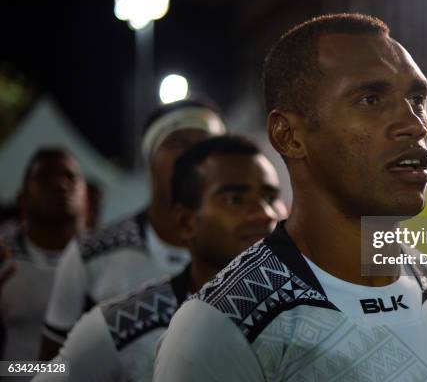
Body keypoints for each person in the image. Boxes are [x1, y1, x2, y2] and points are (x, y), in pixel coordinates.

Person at [154, 13, 427, 381]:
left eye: (416, 98)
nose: (414, 124)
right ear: (289, 136)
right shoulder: (221, 326)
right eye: (370, 99)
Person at [32, 135, 286, 382]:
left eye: (271, 197)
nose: (264, 214)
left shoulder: (313, 313)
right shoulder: (122, 324)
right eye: (235, 199)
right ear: (187, 222)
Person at [39, 99, 226, 360]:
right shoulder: (90, 253)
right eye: (179, 143)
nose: (196, 157)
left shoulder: (248, 255)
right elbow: (48, 368)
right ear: (151, 160)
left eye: (209, 147)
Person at [1, 148, 87, 361]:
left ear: (86, 196)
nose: (60, 184)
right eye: (44, 176)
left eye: (70, 176)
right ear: (22, 197)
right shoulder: (3, 254)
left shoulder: (109, 259)